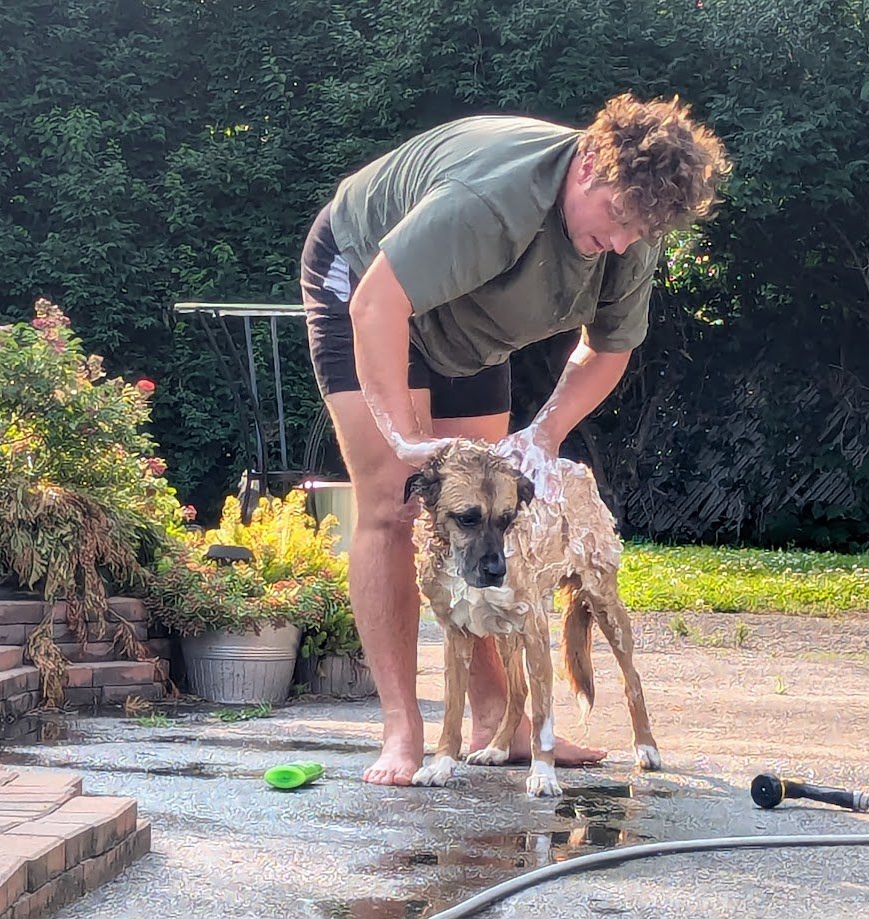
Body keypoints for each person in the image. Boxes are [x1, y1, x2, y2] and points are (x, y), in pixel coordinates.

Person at [300, 94, 731, 786]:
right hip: (368, 282)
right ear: (588, 165)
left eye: (639, 230)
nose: (621, 242)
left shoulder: (634, 229)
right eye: (617, 219)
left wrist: (545, 430)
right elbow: (377, 303)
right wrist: (402, 439)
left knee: (487, 509)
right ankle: (401, 726)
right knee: (397, 503)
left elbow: (610, 348)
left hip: (469, 326)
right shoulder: (492, 198)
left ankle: (500, 718)